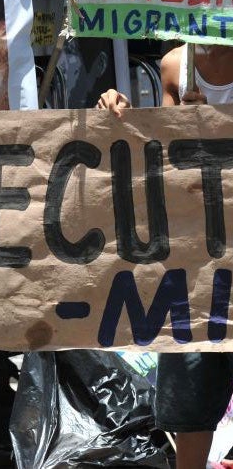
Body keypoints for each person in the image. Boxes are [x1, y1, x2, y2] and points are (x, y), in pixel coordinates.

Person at [97, 43, 233, 469]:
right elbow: (165, 162)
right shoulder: (178, 64)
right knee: (192, 397)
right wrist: (122, 115)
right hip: (200, 261)